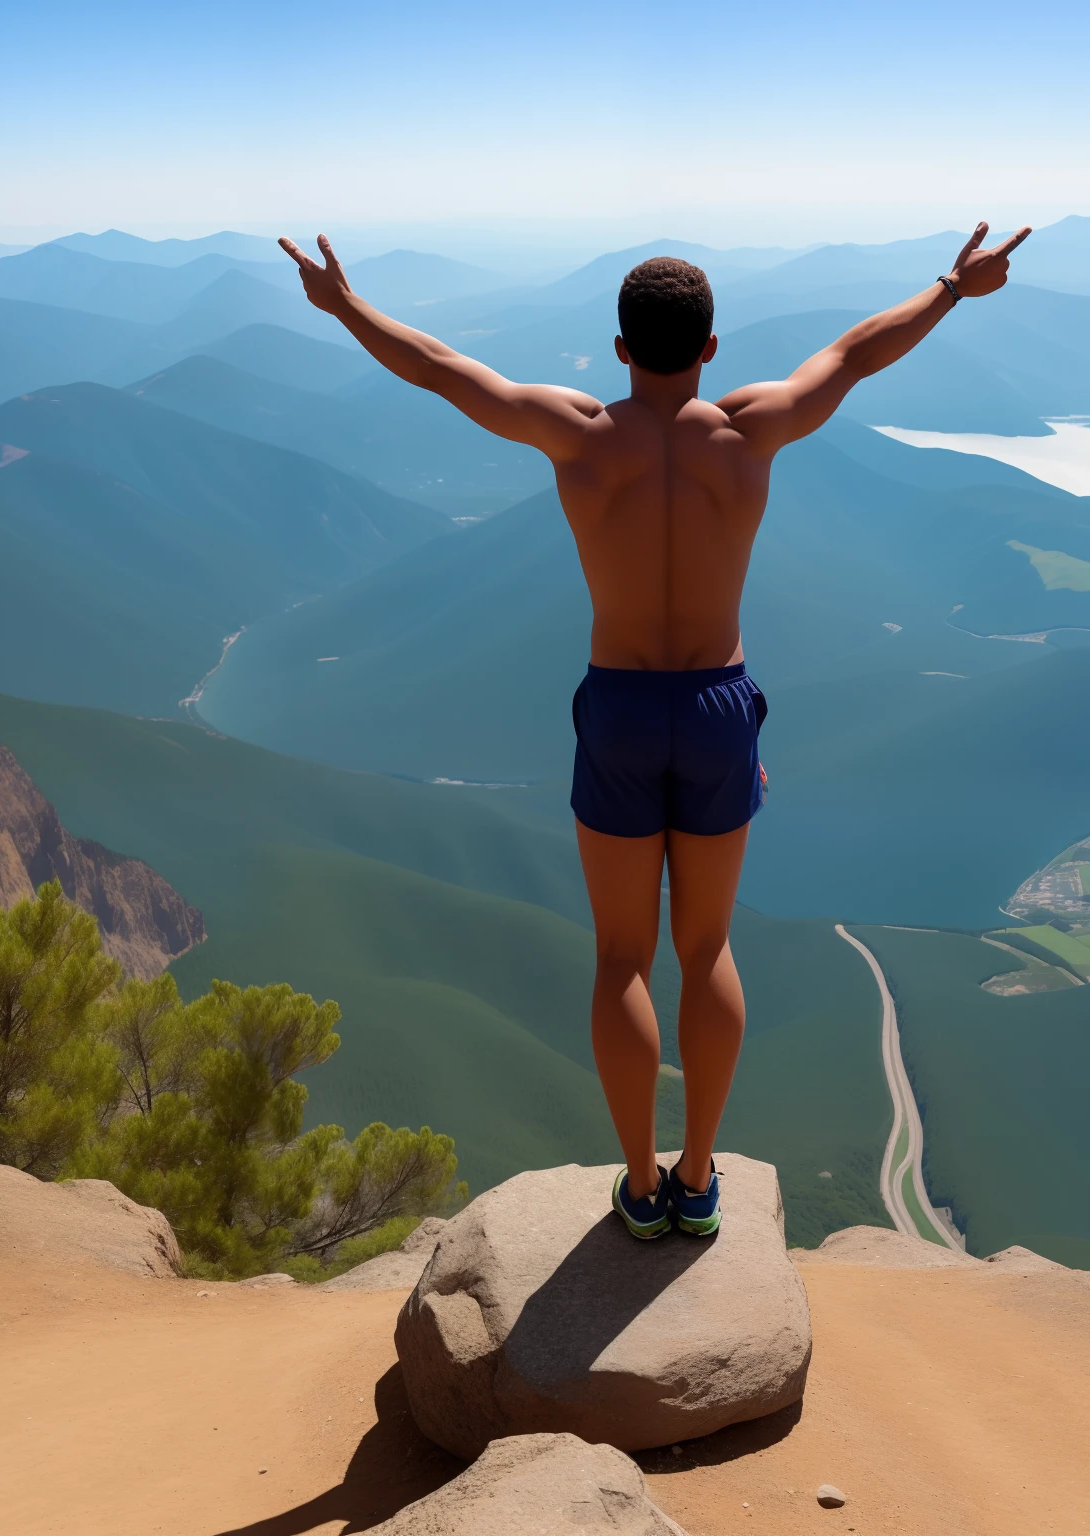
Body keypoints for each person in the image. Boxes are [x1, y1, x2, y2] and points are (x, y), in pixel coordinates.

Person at [281, 221, 1030, 1239]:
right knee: (707, 946)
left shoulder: (580, 436)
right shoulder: (749, 430)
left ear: (621, 347)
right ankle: (700, 1171)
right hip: (718, 707)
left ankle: (639, 1188)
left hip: (622, 708)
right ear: (711, 349)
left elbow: (445, 370)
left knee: (621, 958)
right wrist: (952, 285)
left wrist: (344, 305)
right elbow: (856, 354)